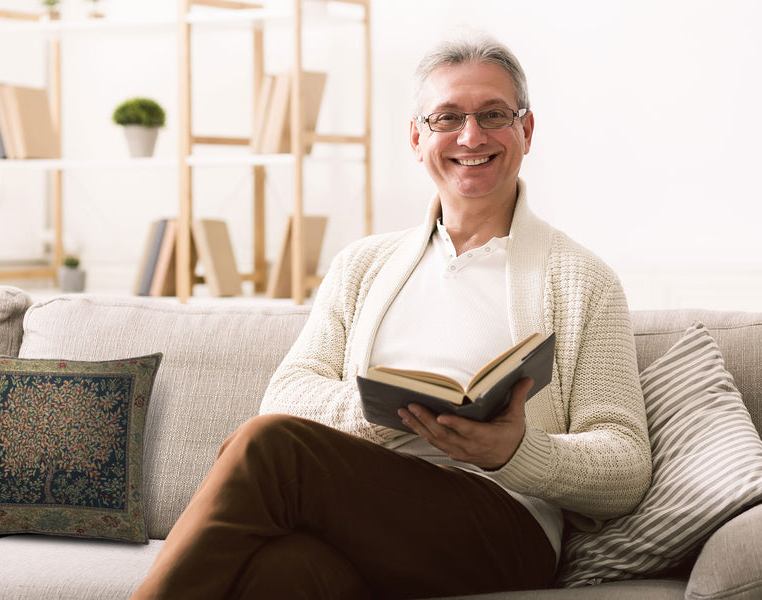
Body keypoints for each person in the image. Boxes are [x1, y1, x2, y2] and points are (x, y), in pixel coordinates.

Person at [132, 32, 651, 599]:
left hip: (501, 527)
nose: (470, 136)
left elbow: (625, 466)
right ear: (416, 137)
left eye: (493, 115)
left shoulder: (581, 279)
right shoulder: (364, 264)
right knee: (287, 570)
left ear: (525, 131)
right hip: (363, 513)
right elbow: (285, 393)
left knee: (265, 447)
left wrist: (517, 451)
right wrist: (377, 405)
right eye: (447, 117)